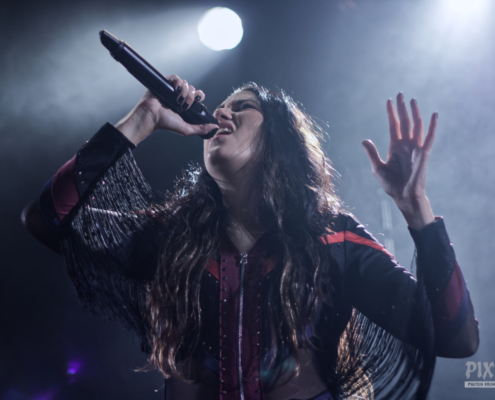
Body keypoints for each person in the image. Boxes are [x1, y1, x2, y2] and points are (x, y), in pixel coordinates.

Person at [22, 76, 479, 400]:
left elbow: (456, 339)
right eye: (221, 107)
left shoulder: (333, 239)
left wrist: (415, 208)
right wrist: (141, 119)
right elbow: (46, 219)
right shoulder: (170, 236)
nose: (221, 112)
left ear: (279, 137)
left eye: (242, 106)